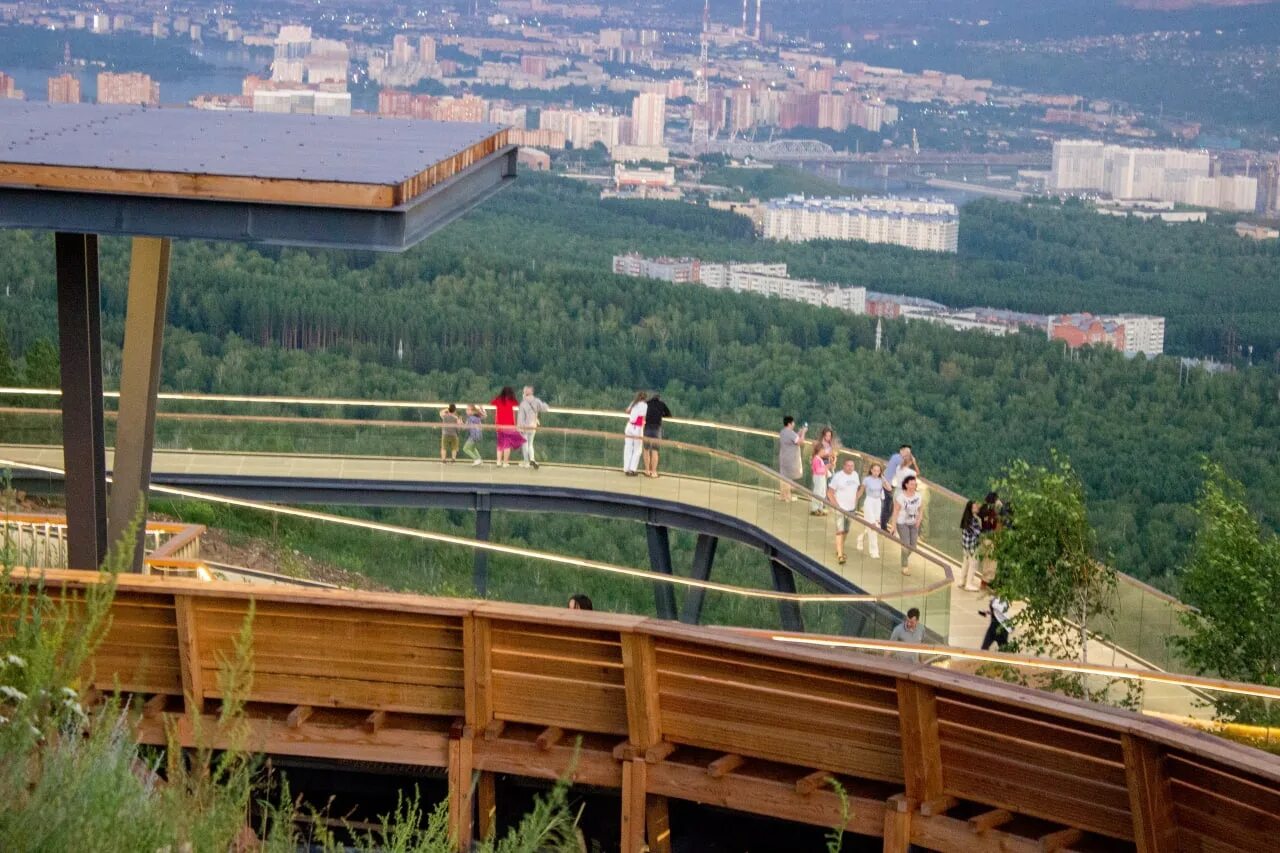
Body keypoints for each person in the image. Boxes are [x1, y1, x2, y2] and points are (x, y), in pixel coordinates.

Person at [826, 457, 861, 565]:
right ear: (844, 466)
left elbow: (856, 490)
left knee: (846, 530)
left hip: (851, 508)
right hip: (840, 508)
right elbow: (830, 492)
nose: (850, 468)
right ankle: (840, 555)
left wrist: (855, 503)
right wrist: (836, 506)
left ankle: (839, 548)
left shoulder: (855, 475)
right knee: (840, 531)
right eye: (848, 465)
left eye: (852, 466)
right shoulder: (838, 477)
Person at [889, 474, 924, 576]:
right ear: (906, 485)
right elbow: (895, 511)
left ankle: (903, 557)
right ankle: (904, 566)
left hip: (913, 523)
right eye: (911, 484)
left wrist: (919, 519)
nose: (914, 486)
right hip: (902, 523)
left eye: (915, 484)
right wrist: (893, 526)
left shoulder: (918, 496)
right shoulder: (901, 497)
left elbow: (921, 509)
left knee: (913, 547)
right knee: (906, 544)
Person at [855, 462, 889, 559]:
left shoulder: (880, 480)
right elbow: (861, 491)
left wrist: (883, 478)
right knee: (873, 526)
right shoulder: (867, 480)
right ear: (871, 470)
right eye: (874, 470)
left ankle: (860, 538)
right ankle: (874, 550)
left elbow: (889, 488)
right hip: (869, 502)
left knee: (874, 526)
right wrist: (855, 501)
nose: (876, 472)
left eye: (878, 471)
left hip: (877, 503)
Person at [880, 444, 915, 530]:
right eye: (906, 452)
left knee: (888, 506)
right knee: (888, 506)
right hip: (888, 483)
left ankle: (883, 523)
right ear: (901, 451)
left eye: (909, 453)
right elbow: (907, 469)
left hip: (887, 481)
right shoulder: (899, 460)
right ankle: (883, 526)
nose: (908, 454)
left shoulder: (895, 456)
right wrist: (913, 462)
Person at [489, 386, 524, 467]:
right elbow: (518, 408)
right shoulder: (513, 401)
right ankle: (505, 462)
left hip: (499, 425)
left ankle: (498, 461)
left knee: (500, 444)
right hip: (510, 426)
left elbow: (491, 406)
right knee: (507, 445)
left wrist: (495, 414)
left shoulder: (497, 400)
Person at [517, 385, 549, 469]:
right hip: (533, 426)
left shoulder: (523, 403)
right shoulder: (536, 401)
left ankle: (526, 462)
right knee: (531, 444)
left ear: (525, 393)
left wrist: (520, 427)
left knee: (525, 444)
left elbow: (521, 417)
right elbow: (545, 408)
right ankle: (532, 459)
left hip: (525, 427)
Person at [777, 416, 808, 502]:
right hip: (791, 459)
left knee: (783, 477)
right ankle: (787, 497)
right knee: (788, 478)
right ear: (790, 423)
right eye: (793, 422)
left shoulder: (783, 432)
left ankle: (783, 495)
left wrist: (799, 432)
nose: (794, 424)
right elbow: (800, 442)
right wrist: (804, 433)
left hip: (784, 458)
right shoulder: (790, 433)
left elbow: (794, 438)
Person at [978, 491, 1005, 586]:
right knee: (992, 561)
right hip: (990, 538)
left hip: (982, 537)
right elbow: (997, 526)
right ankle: (986, 582)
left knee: (986, 559)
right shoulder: (995, 512)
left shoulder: (982, 509)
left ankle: (983, 582)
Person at [809, 427, 838, 515]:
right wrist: (827, 466)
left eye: (830, 435)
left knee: (822, 490)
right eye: (827, 435)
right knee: (818, 491)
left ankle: (820, 508)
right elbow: (818, 470)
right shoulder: (817, 458)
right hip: (821, 473)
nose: (828, 437)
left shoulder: (829, 446)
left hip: (824, 469)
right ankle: (816, 508)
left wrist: (832, 461)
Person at [642, 393, 671, 478]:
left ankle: (647, 470)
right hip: (657, 429)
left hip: (647, 428)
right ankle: (654, 472)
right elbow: (669, 415)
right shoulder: (662, 404)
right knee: (655, 451)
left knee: (646, 450)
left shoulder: (646, 404)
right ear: (659, 398)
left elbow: (642, 414)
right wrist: (660, 414)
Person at [960, 499, 984, 591]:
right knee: (973, 564)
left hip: (966, 546)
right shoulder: (973, 520)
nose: (976, 508)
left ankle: (962, 580)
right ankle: (969, 584)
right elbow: (978, 533)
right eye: (974, 507)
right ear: (970, 509)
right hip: (972, 546)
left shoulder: (966, 518)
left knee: (966, 563)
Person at [622, 391, 648, 476]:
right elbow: (643, 419)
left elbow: (627, 411)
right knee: (637, 449)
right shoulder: (644, 405)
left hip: (629, 426)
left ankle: (626, 468)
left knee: (628, 448)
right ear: (645, 398)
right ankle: (632, 469)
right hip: (637, 428)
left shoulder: (634, 403)